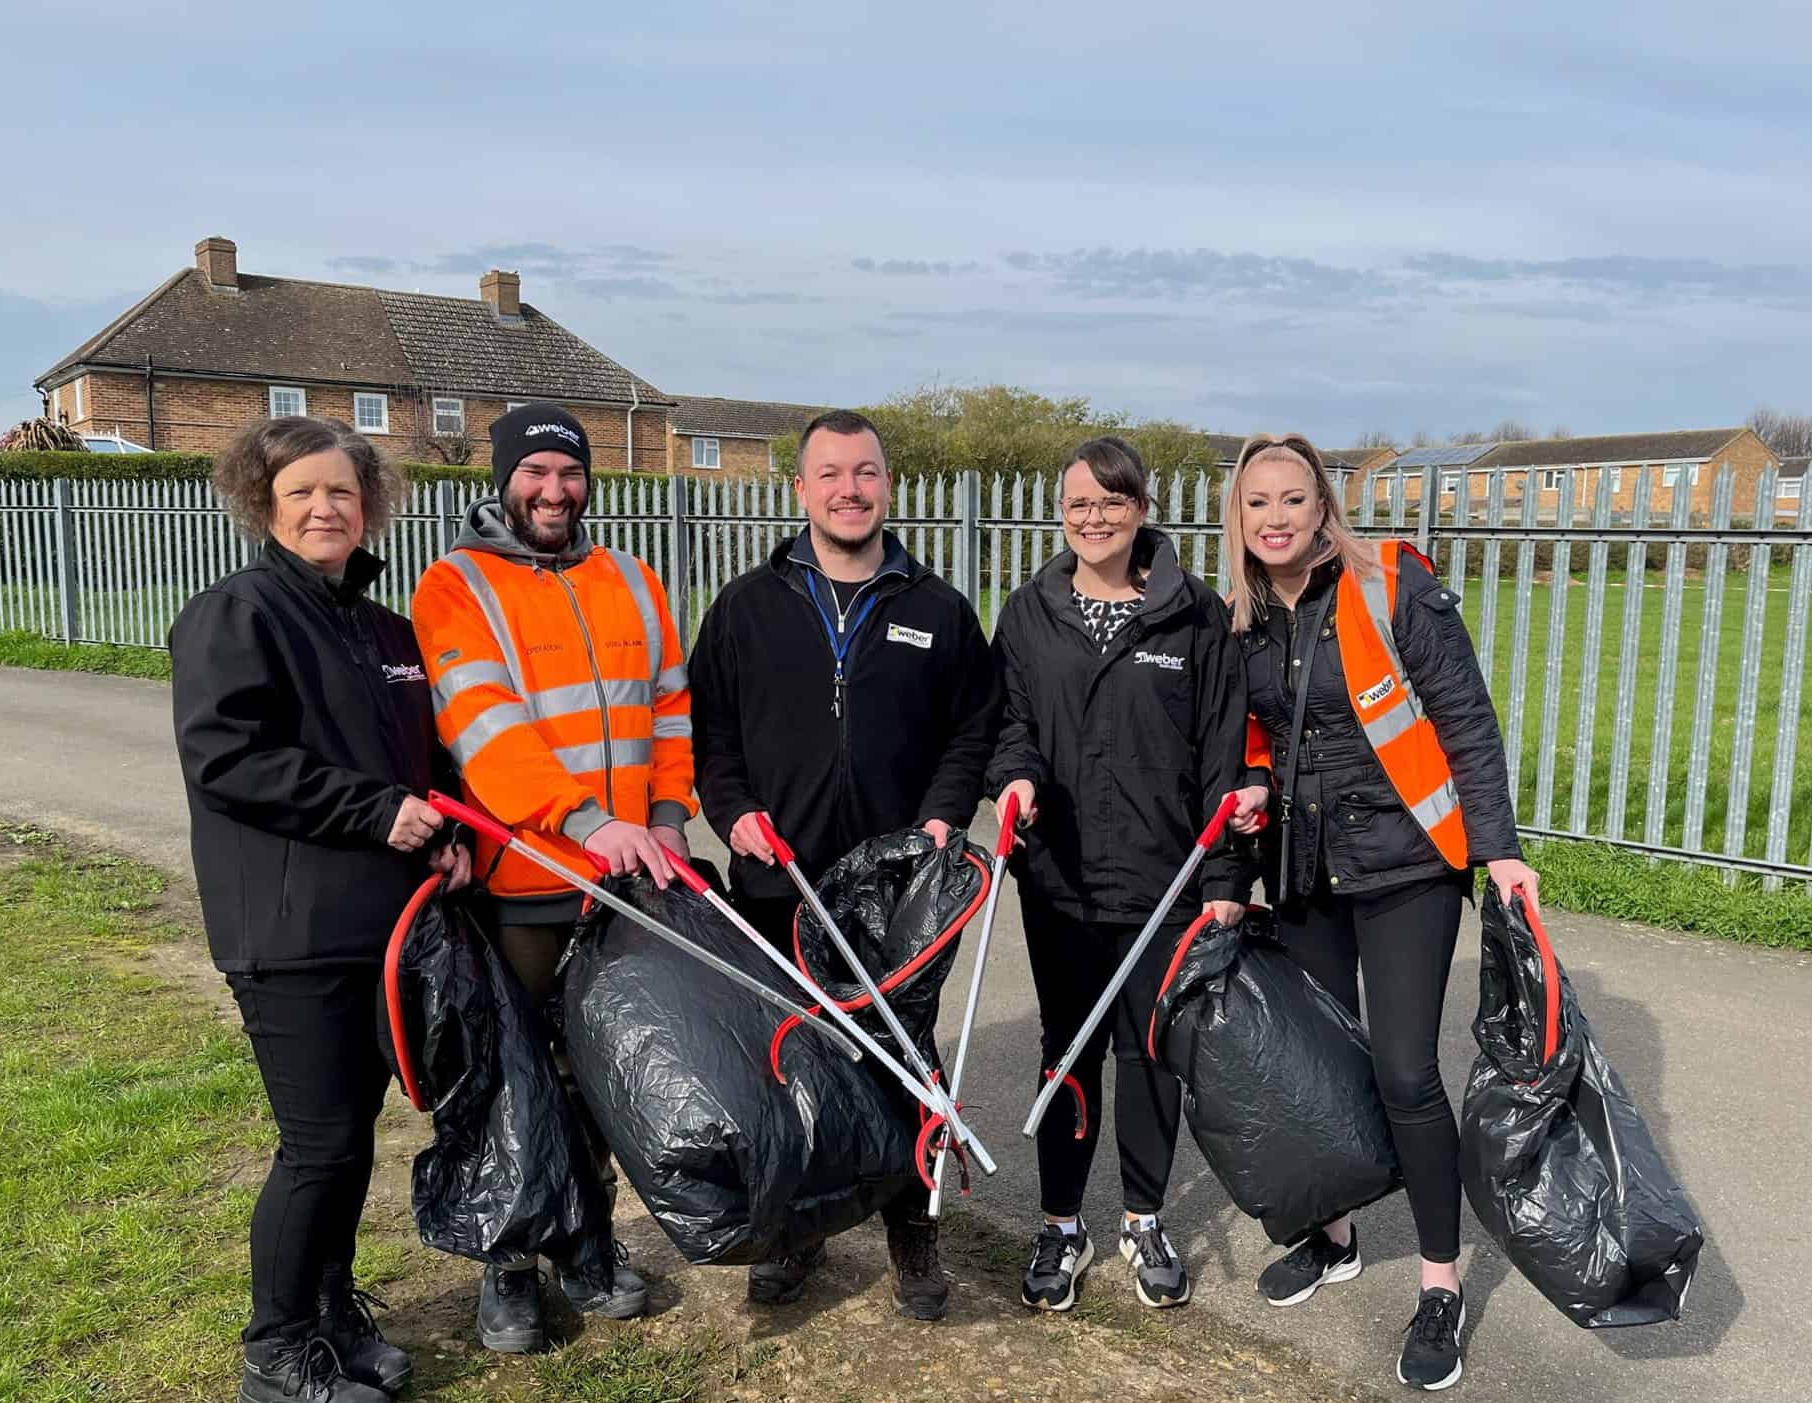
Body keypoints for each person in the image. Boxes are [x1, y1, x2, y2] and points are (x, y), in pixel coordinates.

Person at [172, 415, 468, 1403]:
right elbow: (228, 760)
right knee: (318, 1146)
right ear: (263, 502)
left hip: (380, 929)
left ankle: (333, 1317)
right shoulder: (234, 616)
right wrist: (373, 811)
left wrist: (447, 828)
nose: (322, 508)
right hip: (287, 930)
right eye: (300, 492)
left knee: (351, 1146)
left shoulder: (386, 634)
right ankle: (277, 1351)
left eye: (340, 491)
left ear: (368, 501)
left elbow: (423, 763)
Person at [1223, 433, 1539, 1392]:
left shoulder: (1392, 584)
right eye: (1257, 504)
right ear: (1237, 518)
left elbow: (1465, 722)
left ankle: (1439, 1286)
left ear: (1323, 506)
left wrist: (1502, 850)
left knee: (1404, 1074)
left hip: (1407, 865)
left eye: (1292, 499)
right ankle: (1336, 1239)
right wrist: (1245, 824)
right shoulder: (1240, 620)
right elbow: (1249, 746)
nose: (1275, 518)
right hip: (1305, 870)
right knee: (1322, 1070)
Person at [688, 408, 1000, 1320]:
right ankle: (799, 1231)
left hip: (900, 890)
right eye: (830, 474)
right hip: (776, 879)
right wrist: (733, 812)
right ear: (801, 490)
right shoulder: (747, 607)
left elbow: (972, 729)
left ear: (886, 487)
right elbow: (709, 732)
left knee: (907, 1059)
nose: (849, 490)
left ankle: (914, 1230)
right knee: (790, 1059)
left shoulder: (935, 609)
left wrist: (943, 820)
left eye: (864, 473)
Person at [410, 404, 695, 1351]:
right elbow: (483, 728)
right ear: (504, 481)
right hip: (527, 873)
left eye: (568, 473)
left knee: (598, 1075)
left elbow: (668, 712)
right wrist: (585, 821)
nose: (553, 490)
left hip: (626, 876)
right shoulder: (456, 587)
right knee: (511, 1076)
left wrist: (664, 820)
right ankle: (511, 1268)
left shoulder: (632, 580)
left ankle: (591, 1246)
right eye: (533, 472)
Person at [988, 435, 1253, 1314]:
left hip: (1163, 881)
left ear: (1142, 509)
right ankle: (1062, 1223)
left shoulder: (1195, 616)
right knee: (1066, 1053)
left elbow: (1222, 756)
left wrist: (1224, 878)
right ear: (1061, 514)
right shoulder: (1029, 612)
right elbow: (1011, 724)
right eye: (1077, 504)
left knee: (1150, 1056)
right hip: (1059, 875)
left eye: (1111, 501)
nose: (1093, 518)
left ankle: (1144, 1218)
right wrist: (1014, 777)